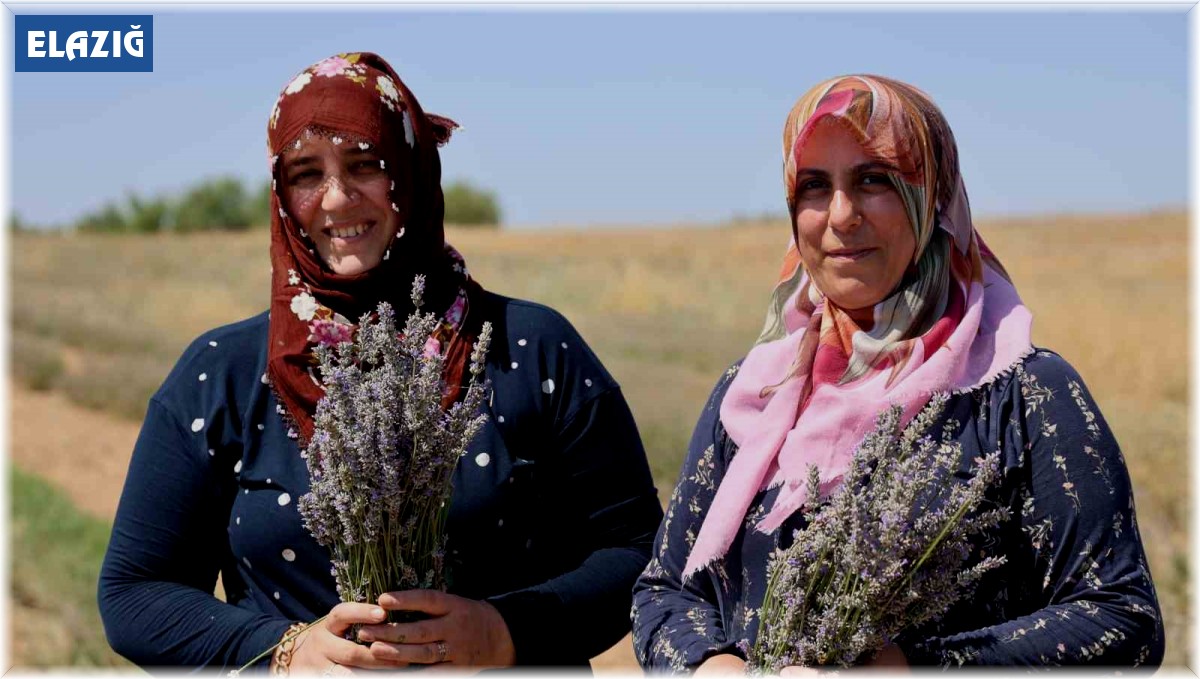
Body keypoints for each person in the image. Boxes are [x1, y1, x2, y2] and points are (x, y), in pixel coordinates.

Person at [98, 52, 663, 674]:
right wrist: (285, 651)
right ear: (281, 194)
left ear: (415, 171)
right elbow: (134, 596)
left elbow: (639, 555)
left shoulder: (529, 349)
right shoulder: (222, 374)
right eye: (306, 173)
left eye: (366, 165)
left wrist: (505, 633)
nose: (337, 200)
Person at [631, 75, 1164, 672]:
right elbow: (665, 593)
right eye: (814, 185)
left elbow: (1122, 620)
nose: (841, 215)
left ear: (930, 196)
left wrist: (908, 666)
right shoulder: (756, 392)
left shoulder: (1023, 393)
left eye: (873, 180)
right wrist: (712, 666)